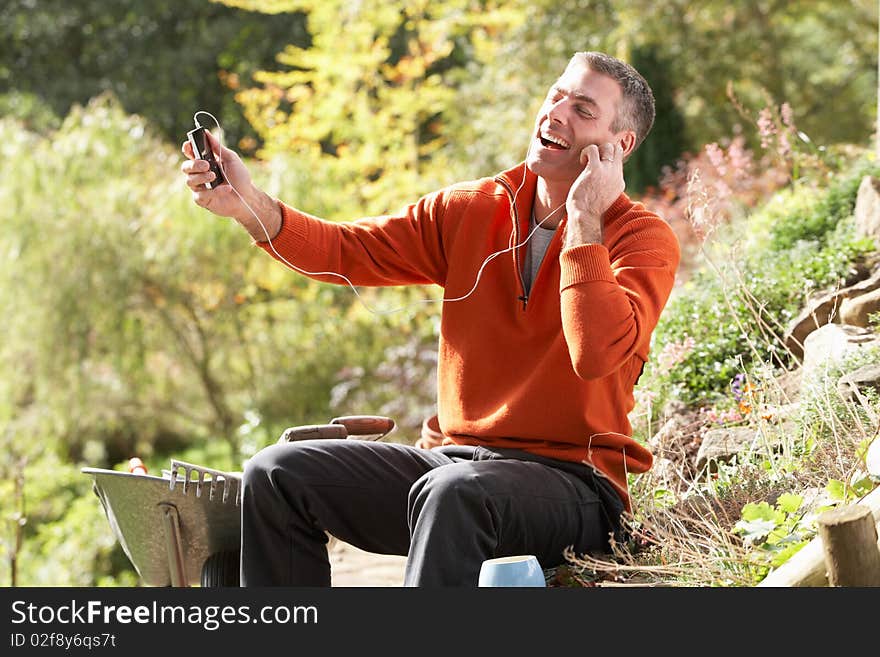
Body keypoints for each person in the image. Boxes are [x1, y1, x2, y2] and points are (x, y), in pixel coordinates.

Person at [181, 51, 680, 586]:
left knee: (457, 492)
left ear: (620, 145)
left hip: (574, 488)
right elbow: (348, 251)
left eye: (583, 109)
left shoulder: (643, 239)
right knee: (275, 472)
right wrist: (247, 203)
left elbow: (595, 353)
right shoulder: (470, 208)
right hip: (451, 467)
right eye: (556, 95)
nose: (556, 113)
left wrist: (585, 219)